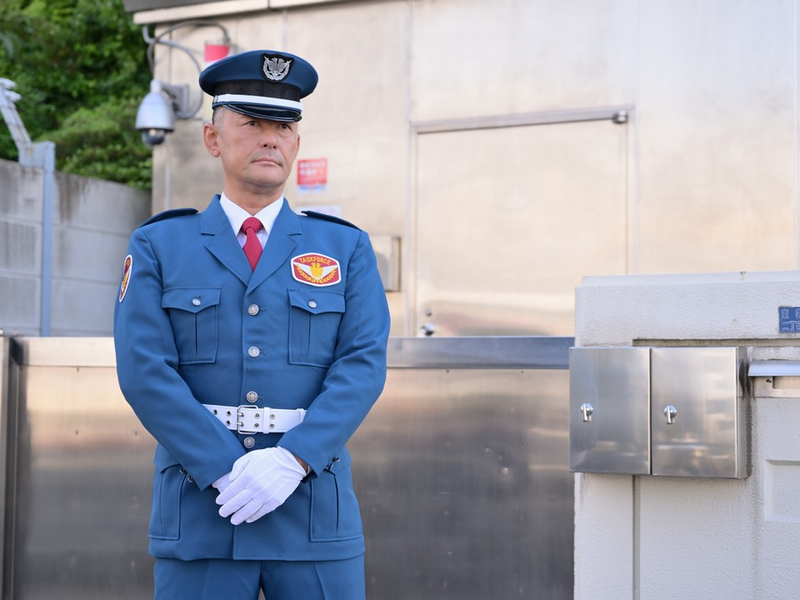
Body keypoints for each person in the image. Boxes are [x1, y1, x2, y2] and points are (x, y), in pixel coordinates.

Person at [113, 49, 390, 600]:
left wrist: (292, 459)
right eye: (252, 123)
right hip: (202, 509)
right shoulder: (159, 245)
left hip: (312, 511)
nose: (270, 139)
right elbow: (144, 371)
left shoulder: (346, 247)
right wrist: (222, 467)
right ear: (213, 139)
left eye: (283, 127)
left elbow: (362, 365)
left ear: (297, 144)